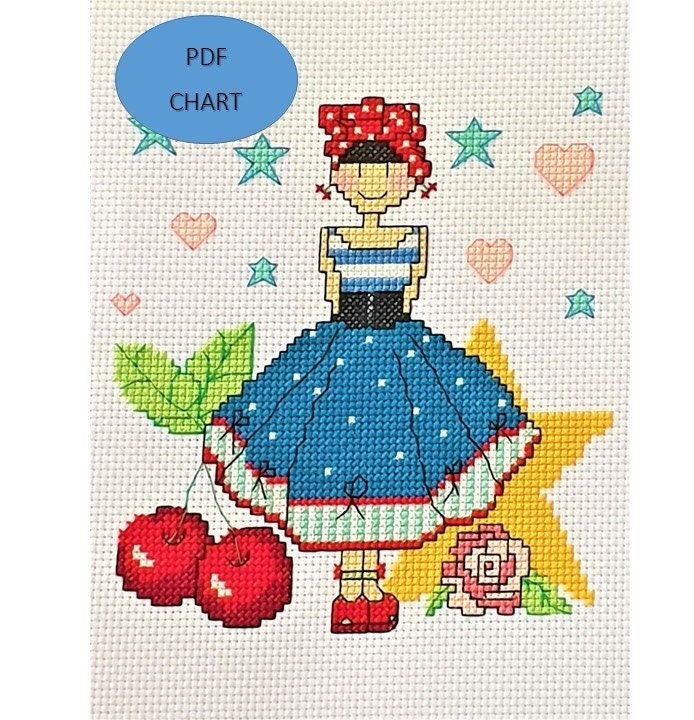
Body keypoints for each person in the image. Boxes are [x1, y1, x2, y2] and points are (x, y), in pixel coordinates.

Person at [203, 97, 540, 633]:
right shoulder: (333, 240)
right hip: (341, 355)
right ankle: (351, 588)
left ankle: (368, 586)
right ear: (339, 178)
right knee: (334, 458)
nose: (372, 184)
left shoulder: (412, 240)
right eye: (358, 172)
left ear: (410, 177)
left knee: (395, 460)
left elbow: (404, 294)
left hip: (399, 354)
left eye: (386, 173)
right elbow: (336, 295)